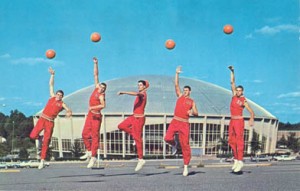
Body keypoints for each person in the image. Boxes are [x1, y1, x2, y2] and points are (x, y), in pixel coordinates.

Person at [30, 67, 72, 170]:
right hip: (42, 119)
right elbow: (51, 85)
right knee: (32, 135)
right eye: (58, 94)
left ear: (62, 97)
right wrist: (52, 75)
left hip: (50, 122)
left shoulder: (62, 103)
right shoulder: (52, 97)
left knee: (46, 141)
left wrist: (69, 113)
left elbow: (68, 109)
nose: (58, 96)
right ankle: (39, 138)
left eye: (60, 95)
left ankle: (42, 160)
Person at [164, 66, 199, 176]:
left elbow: (197, 113)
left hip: (184, 123)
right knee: (167, 138)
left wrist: (191, 113)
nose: (184, 92)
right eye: (184, 90)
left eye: (186, 90)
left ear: (190, 92)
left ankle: (185, 167)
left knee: (185, 145)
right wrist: (177, 73)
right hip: (175, 121)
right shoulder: (179, 96)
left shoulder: (192, 101)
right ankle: (174, 144)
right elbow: (176, 85)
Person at [80, 57, 107, 168]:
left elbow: (103, 105)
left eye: (103, 88)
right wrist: (96, 63)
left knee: (95, 136)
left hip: (96, 116)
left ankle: (94, 157)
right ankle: (89, 151)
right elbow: (96, 75)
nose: (100, 88)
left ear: (104, 90)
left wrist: (93, 107)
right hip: (90, 114)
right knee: (84, 134)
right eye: (100, 86)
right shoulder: (96, 88)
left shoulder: (101, 95)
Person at [117, 80, 149, 172]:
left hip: (139, 119)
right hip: (133, 117)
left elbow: (136, 94)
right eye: (138, 85)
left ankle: (141, 159)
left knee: (138, 140)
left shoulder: (143, 94)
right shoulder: (141, 93)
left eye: (140, 85)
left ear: (144, 87)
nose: (139, 86)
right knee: (121, 126)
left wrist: (124, 92)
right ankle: (134, 136)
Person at [228, 65, 254, 173]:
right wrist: (232, 71)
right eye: (237, 90)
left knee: (239, 141)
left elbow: (252, 111)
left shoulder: (243, 100)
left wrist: (251, 118)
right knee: (231, 140)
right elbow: (232, 82)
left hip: (239, 120)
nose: (238, 91)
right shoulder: (234, 96)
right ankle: (235, 159)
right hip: (232, 120)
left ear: (242, 92)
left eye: (240, 90)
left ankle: (240, 160)